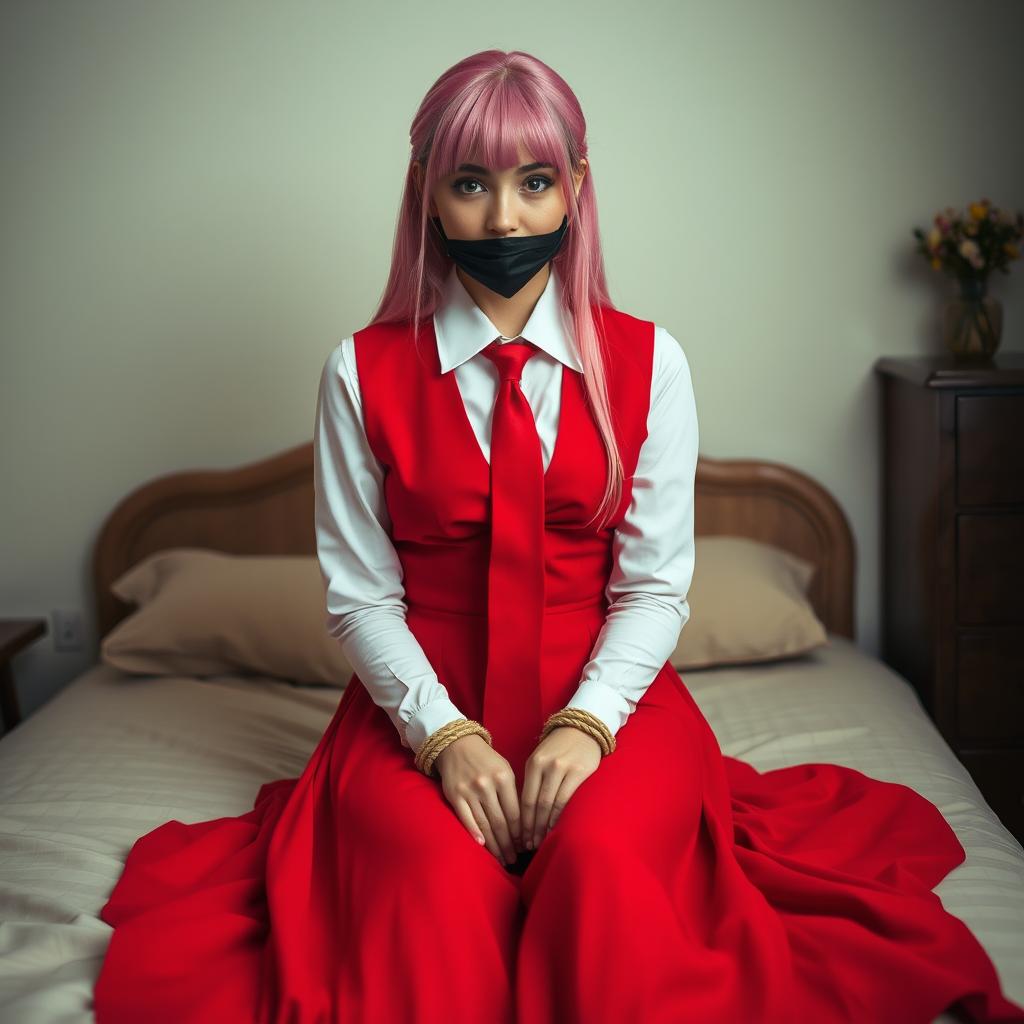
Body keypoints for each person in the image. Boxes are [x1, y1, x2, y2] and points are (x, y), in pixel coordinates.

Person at [93, 48, 1024, 1024]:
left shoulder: (651, 360)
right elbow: (360, 595)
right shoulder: (355, 373)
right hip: (419, 714)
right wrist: (442, 737)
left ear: (577, 186)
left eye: (535, 182)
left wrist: (586, 725)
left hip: (615, 709)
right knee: (428, 898)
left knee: (606, 878)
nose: (504, 218)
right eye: (470, 184)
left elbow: (655, 588)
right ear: (426, 196)